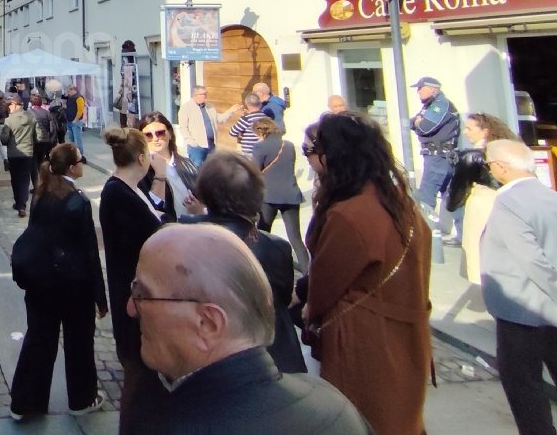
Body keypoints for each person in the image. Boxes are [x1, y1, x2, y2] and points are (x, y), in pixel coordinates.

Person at [124, 225, 373, 435]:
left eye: (141, 294)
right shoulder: (333, 403)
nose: (130, 308)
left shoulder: (163, 426)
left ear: (208, 324)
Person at [304, 112, 431, 435]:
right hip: (407, 334)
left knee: (363, 421)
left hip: (364, 340)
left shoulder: (351, 213)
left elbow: (325, 285)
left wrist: (307, 310)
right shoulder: (401, 204)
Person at [182, 152, 306, 374]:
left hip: (205, 352)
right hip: (267, 358)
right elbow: (284, 298)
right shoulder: (275, 247)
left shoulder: (180, 235)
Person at [480, 139, 557, 434]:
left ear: (501, 168)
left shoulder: (508, 202)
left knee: (526, 392)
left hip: (521, 312)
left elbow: (531, 259)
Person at [9, 144, 108, 420]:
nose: (82, 164)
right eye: (80, 160)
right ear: (72, 167)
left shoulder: (42, 192)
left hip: (42, 280)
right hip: (73, 284)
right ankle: (82, 398)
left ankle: (25, 402)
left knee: (39, 339)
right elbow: (89, 252)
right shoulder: (77, 201)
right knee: (78, 343)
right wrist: (100, 297)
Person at [99, 128, 167, 428]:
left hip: (137, 290)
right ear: (141, 158)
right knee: (139, 375)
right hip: (133, 295)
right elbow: (154, 235)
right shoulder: (118, 193)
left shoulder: (129, 188)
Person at [447, 113, 520, 276]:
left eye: (469, 128)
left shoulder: (471, 156)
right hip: (511, 202)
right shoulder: (510, 151)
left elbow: (458, 189)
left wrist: (452, 204)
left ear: (485, 132)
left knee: (479, 252)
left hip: (483, 204)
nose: (465, 132)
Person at [250, 116, 308, 272]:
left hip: (269, 196)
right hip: (290, 194)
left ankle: (261, 270)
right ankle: (308, 272)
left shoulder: (259, 147)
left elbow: (254, 171)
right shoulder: (288, 145)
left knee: (262, 234)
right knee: (296, 238)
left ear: (260, 131)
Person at [409, 76, 460, 221]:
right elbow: (411, 121)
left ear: (431, 89)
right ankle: (461, 237)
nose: (418, 91)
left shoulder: (440, 105)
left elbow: (424, 128)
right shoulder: (429, 105)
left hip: (438, 157)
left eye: (420, 88)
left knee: (425, 199)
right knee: (452, 198)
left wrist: (418, 123)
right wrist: (417, 122)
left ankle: (428, 238)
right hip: (439, 157)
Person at [138, 112, 193, 219]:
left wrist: (200, 209)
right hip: (167, 231)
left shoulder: (188, 165)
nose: (155, 138)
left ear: (170, 133)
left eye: (160, 133)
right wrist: (159, 174)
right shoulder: (140, 172)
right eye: (148, 135)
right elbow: (149, 210)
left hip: (194, 227)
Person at [177, 85, 240, 168]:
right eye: (204, 94)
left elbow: (219, 119)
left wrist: (231, 111)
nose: (206, 95)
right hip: (197, 147)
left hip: (211, 144)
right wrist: (192, 142)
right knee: (196, 171)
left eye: (206, 93)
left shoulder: (209, 106)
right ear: (196, 95)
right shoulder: (186, 107)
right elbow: (183, 127)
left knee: (211, 170)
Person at [0, 93, 38, 217]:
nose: (8, 107)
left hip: (13, 153)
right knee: (25, 179)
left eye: (10, 105)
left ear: (15, 105)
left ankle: (19, 203)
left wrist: (6, 140)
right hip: (28, 152)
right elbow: (38, 136)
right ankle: (23, 205)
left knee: (15, 179)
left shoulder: (9, 120)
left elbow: (4, 139)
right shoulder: (31, 117)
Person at [30, 92, 55, 180]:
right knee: (42, 163)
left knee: (33, 164)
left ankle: (36, 186)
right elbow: (52, 128)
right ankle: (44, 183)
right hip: (45, 141)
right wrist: (50, 139)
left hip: (33, 141)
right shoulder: (46, 113)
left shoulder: (29, 113)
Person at [66, 84, 86, 155]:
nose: (68, 93)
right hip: (69, 120)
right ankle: (73, 153)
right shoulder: (70, 97)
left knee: (77, 139)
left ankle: (80, 154)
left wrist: (75, 119)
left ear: (73, 90)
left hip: (76, 121)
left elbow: (80, 110)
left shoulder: (79, 98)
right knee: (72, 138)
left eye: (69, 91)